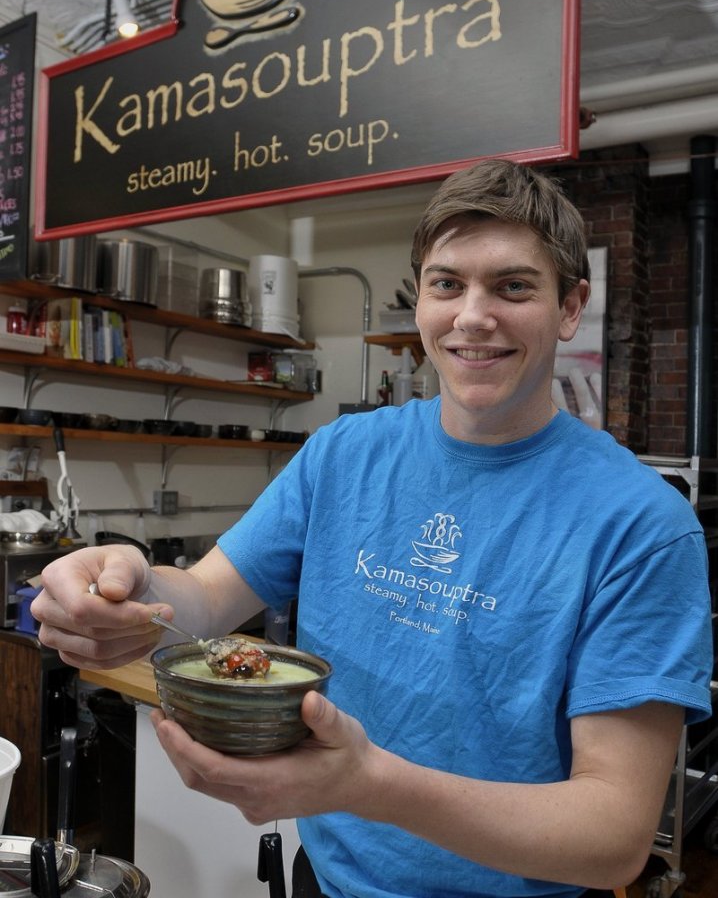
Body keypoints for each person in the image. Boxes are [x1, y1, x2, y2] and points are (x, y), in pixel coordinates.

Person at [32, 159, 713, 898]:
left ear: (571, 306)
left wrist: (366, 784)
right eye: (447, 284)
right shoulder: (342, 454)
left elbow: (612, 837)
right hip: (325, 878)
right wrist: (127, 585)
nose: (472, 316)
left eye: (514, 286)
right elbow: (201, 601)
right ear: (420, 299)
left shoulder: (642, 524)